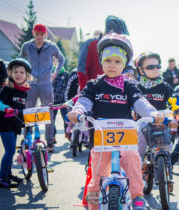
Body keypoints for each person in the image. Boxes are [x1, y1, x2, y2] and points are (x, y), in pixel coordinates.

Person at [67, 33, 163, 210]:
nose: (112, 65)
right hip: (102, 136)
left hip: (125, 136)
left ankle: (137, 197)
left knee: (133, 160)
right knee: (96, 173)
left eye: (117, 61)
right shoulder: (94, 84)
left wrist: (152, 112)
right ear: (102, 61)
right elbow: (84, 100)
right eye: (108, 60)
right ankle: (94, 203)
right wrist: (78, 110)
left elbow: (139, 102)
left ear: (124, 63)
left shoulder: (129, 85)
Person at [19, 23, 65, 152]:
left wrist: (55, 72)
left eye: (42, 34)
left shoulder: (51, 47)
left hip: (46, 83)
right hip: (30, 83)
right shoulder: (27, 46)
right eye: (37, 34)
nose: (39, 37)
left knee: (48, 111)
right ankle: (27, 139)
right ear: (33, 33)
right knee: (29, 111)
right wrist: (22, 76)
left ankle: (49, 141)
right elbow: (20, 59)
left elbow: (61, 59)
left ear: (45, 34)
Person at [0, 58, 32, 187]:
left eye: (22, 72)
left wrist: (25, 122)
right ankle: (2, 179)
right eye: (16, 72)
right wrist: (6, 108)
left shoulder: (24, 91)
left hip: (15, 125)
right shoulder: (8, 88)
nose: (19, 74)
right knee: (9, 150)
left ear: (27, 75)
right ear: (11, 74)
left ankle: (8, 174)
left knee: (10, 150)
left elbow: (21, 110)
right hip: (5, 124)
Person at [134, 52, 174, 158]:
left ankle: (166, 162)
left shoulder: (165, 86)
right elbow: (130, 102)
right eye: (150, 67)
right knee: (139, 145)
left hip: (161, 121)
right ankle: (139, 163)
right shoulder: (136, 87)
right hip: (142, 122)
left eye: (158, 66)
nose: (155, 69)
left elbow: (175, 101)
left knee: (167, 146)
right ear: (141, 70)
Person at [77, 15, 129, 90]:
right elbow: (82, 70)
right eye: (118, 35)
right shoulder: (90, 43)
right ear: (110, 32)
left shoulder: (120, 47)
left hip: (112, 91)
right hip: (91, 90)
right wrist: (85, 90)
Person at [51, 59, 69, 142]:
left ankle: (67, 132)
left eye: (58, 61)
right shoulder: (50, 73)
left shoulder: (66, 74)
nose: (57, 62)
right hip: (52, 100)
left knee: (66, 118)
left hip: (63, 101)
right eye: (55, 61)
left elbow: (68, 87)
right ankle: (52, 136)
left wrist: (67, 100)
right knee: (51, 119)